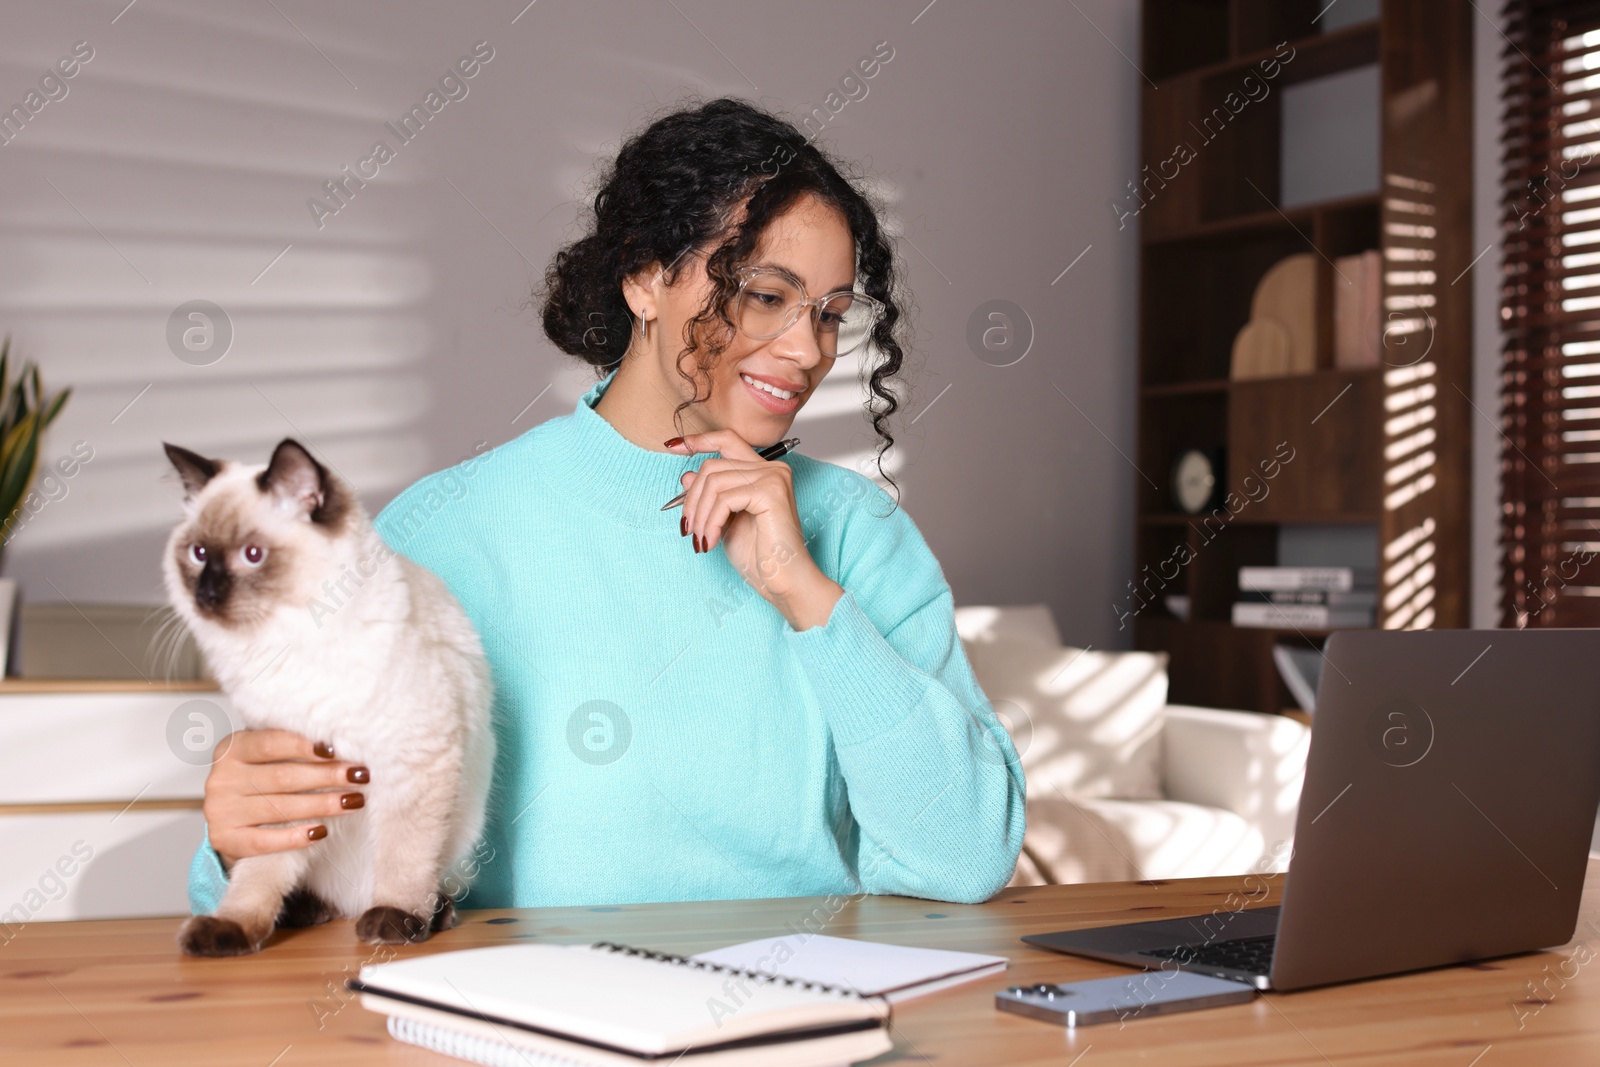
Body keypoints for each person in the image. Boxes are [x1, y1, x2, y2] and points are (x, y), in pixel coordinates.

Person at [187, 97, 1025, 916]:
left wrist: (803, 592)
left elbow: (966, 856)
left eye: (831, 314)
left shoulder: (857, 536)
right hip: (520, 1030)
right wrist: (237, 829)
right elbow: (274, 880)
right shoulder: (437, 534)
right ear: (645, 280)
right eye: (765, 295)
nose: (808, 351)